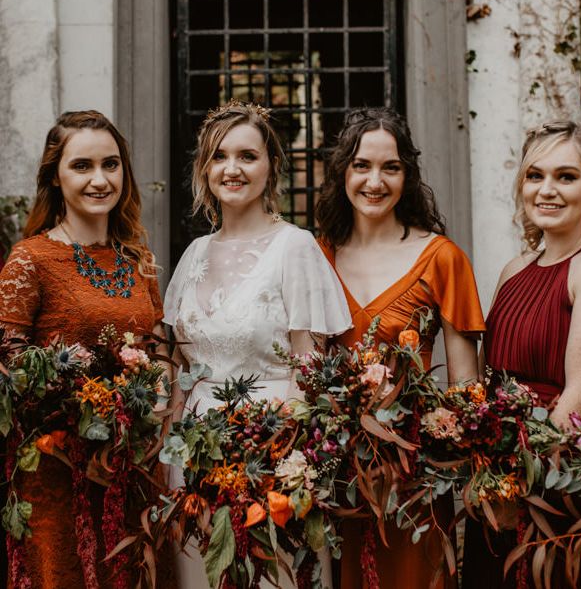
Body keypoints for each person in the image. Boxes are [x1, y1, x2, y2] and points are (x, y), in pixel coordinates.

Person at [163, 100, 351, 589]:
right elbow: (181, 364)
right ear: (205, 170)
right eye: (219, 156)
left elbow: (308, 365)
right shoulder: (194, 254)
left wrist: (281, 459)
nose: (232, 168)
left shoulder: (295, 247)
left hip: (268, 449)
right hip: (193, 454)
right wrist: (172, 453)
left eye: (247, 156)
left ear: (271, 167)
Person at [461, 120, 581, 588]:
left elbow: (580, 398)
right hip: (496, 476)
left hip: (554, 486)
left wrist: (516, 486)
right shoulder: (514, 270)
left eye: (566, 177)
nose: (547, 190)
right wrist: (483, 473)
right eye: (535, 176)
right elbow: (489, 384)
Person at [0, 110, 172, 588]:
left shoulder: (138, 260)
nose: (101, 179)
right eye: (82, 166)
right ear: (55, 176)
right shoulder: (30, 259)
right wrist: (76, 400)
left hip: (131, 468)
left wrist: (153, 393)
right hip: (59, 475)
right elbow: (8, 362)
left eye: (111, 164)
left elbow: (157, 352)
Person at [316, 106, 485, 589]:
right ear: (343, 171)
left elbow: (465, 384)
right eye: (362, 165)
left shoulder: (443, 257)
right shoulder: (318, 254)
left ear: (407, 175)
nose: (375, 180)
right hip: (336, 469)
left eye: (390, 167)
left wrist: (446, 450)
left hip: (414, 472)